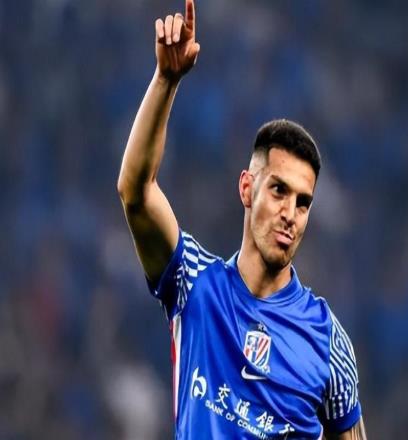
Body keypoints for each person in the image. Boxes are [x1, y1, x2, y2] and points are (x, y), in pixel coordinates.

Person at [117, 1, 367, 438]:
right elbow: (135, 192)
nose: (290, 214)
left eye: (303, 202)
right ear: (247, 188)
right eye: (278, 190)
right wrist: (166, 80)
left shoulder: (328, 342)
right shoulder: (194, 283)